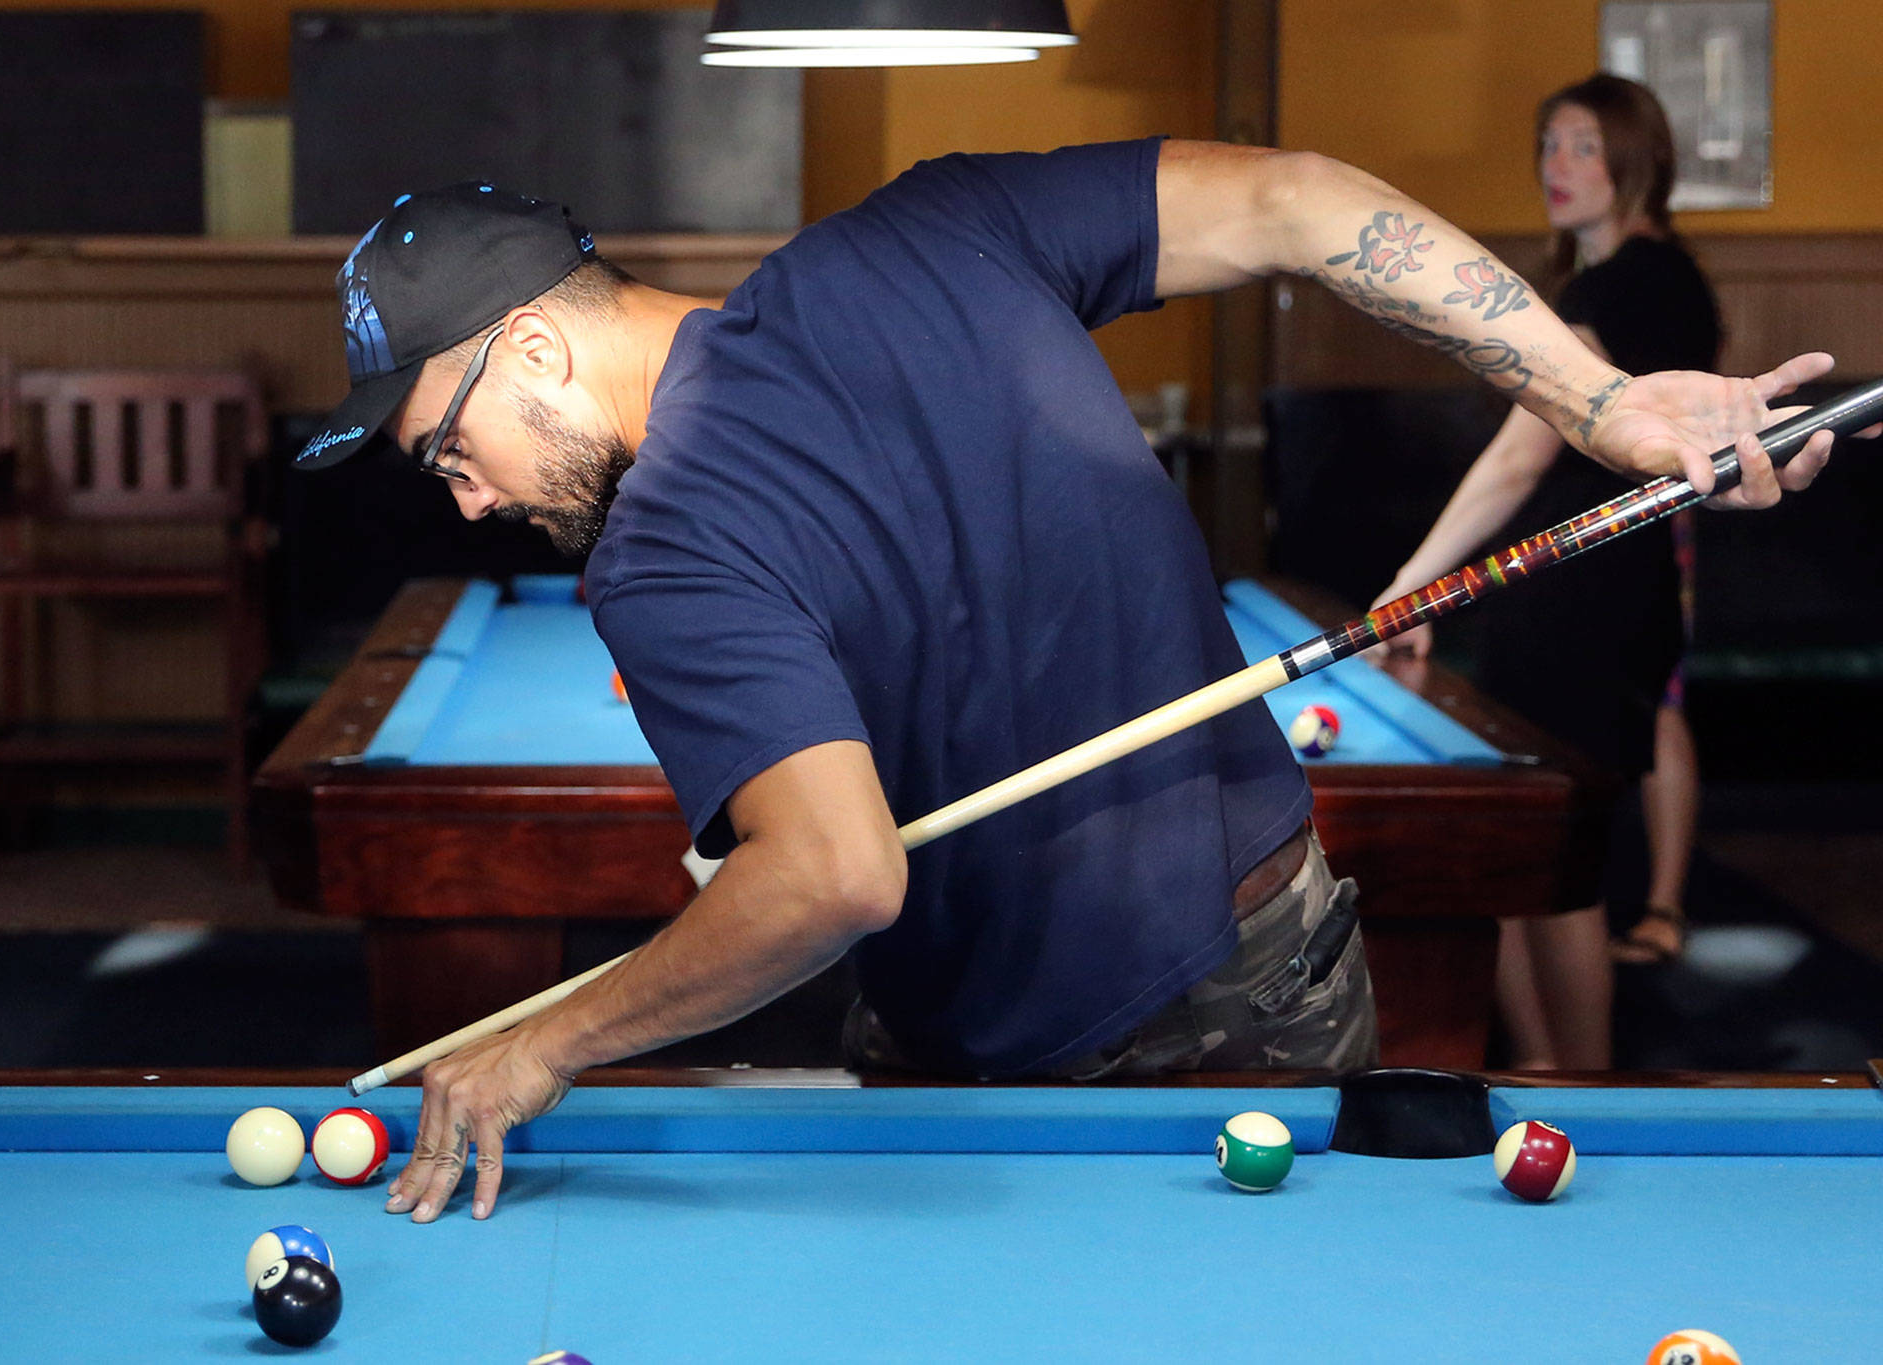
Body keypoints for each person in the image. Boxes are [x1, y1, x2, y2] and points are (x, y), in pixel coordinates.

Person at [296, 138, 1838, 1221]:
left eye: (443, 445)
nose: (464, 497)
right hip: (1257, 967)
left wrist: (544, 1042)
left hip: (1029, 1048)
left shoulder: (661, 558)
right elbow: (1300, 199)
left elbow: (832, 877)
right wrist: (1607, 402)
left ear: (538, 356)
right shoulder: (929, 226)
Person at [1372, 75, 1721, 1066]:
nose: (1554, 169)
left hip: (1591, 603)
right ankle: (1539, 1072)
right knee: (1525, 861)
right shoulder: (1638, 279)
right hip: (1578, 593)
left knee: (1555, 868)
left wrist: (1412, 581)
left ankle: (1579, 1085)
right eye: (1545, 147)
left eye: (1578, 146)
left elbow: (1522, 454)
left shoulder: (1626, 286)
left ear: (1632, 155)